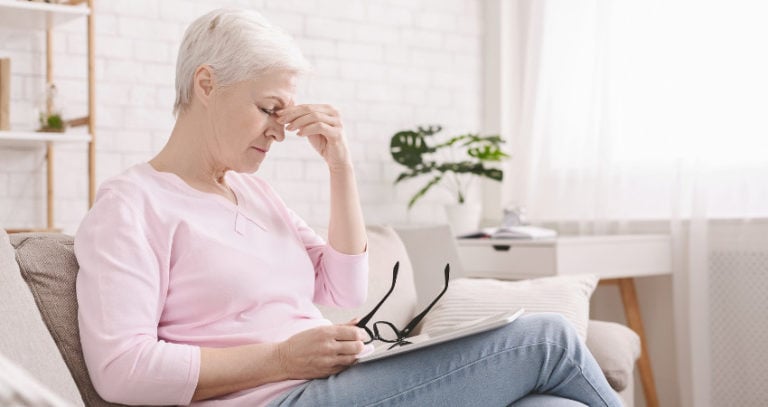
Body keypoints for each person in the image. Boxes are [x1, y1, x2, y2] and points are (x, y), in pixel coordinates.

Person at [74, 8, 623, 407]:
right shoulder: (131, 205)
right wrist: (283, 359)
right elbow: (122, 370)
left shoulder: (255, 192)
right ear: (206, 83)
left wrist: (341, 166)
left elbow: (342, 290)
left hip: (334, 384)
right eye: (269, 109)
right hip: (275, 398)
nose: (278, 132)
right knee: (548, 338)